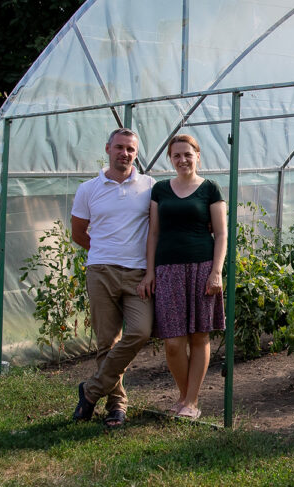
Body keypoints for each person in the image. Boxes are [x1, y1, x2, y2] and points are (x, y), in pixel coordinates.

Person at [70, 127, 155, 428]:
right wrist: (104, 252)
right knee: (107, 342)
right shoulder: (89, 189)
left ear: (136, 153)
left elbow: (156, 231)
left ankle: (91, 391)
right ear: (107, 149)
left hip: (138, 275)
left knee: (140, 332)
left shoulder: (149, 186)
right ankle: (117, 405)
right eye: (120, 147)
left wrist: (148, 269)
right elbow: (78, 232)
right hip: (101, 272)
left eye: (131, 149)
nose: (125, 153)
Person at [138, 134, 227, 420]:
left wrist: (216, 271)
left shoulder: (210, 189)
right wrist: (150, 271)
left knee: (199, 336)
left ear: (197, 156)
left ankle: (190, 401)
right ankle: (184, 395)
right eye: (176, 155)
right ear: (171, 159)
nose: (182, 160)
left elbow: (222, 233)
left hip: (202, 268)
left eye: (188, 154)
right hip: (167, 270)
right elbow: (153, 233)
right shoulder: (160, 190)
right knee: (173, 341)